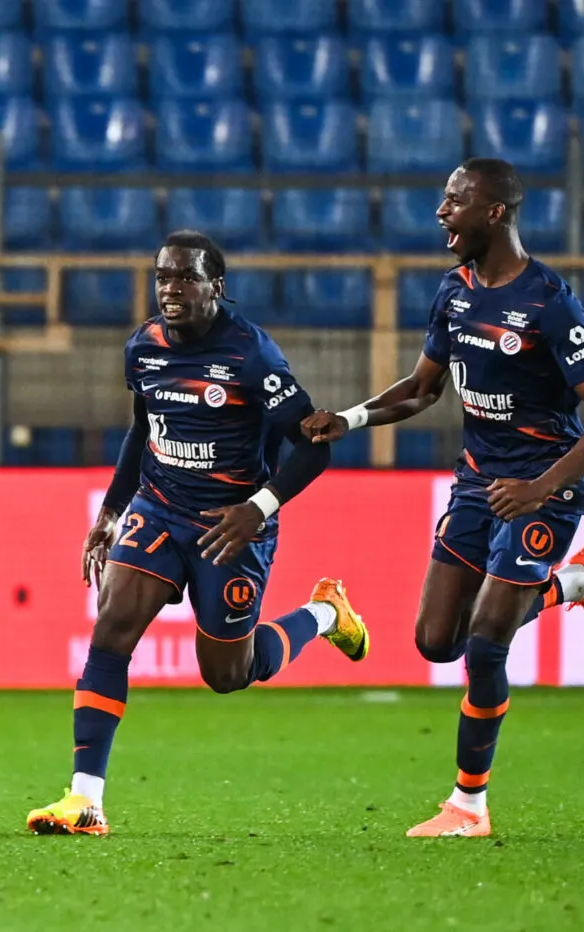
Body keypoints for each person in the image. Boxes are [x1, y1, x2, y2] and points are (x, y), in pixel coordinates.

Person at [301, 158, 584, 838]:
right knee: (436, 641)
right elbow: (424, 388)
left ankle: (468, 806)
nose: (440, 212)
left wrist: (543, 487)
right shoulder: (454, 292)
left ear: (495, 213)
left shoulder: (549, 302)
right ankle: (579, 582)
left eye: (455, 200)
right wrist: (351, 419)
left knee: (486, 645)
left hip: (543, 489)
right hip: (479, 483)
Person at [27, 231, 369, 837]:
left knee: (226, 675)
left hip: (229, 529)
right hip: (159, 509)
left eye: (185, 278)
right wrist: (110, 513)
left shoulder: (252, 356)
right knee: (110, 633)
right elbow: (143, 429)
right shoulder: (143, 347)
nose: (171, 289)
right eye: (162, 277)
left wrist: (257, 508)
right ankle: (84, 800)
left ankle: (322, 614)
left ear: (217, 286)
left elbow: (312, 450)